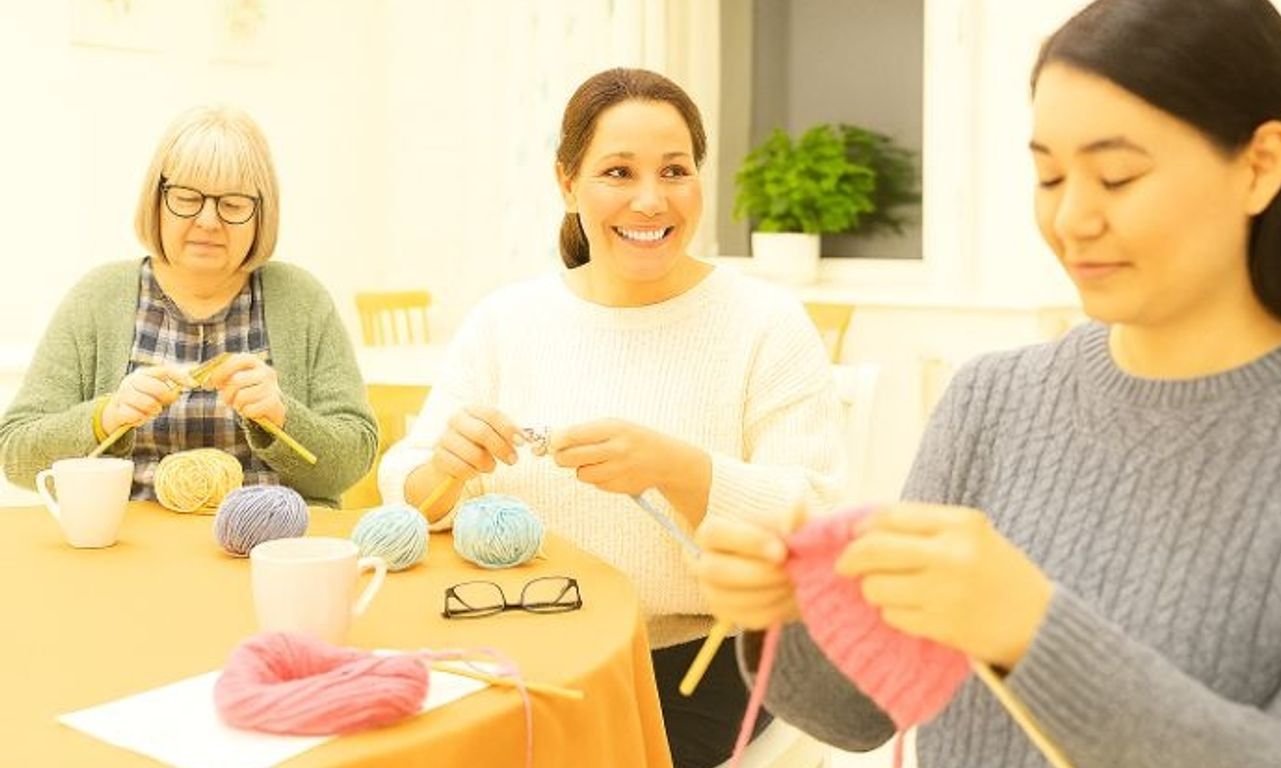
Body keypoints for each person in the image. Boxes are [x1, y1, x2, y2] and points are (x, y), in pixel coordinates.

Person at [693, 0, 1281, 766]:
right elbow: (863, 713)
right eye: (1049, 175)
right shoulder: (991, 401)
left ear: (1261, 164)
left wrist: (1028, 631)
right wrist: (790, 613)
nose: (1071, 218)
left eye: (1116, 176)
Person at [377, 68, 844, 768]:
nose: (651, 200)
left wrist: (680, 470)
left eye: (675, 171)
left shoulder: (765, 324)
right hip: (516, 646)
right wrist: (445, 466)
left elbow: (818, 524)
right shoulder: (506, 321)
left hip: (698, 660)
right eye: (618, 172)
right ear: (567, 184)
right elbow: (407, 491)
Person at [0, 105, 377, 508]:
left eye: (233, 205)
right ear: (157, 202)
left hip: (274, 540)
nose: (209, 221)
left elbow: (354, 456)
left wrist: (282, 417)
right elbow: (16, 453)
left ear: (260, 214)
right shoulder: (97, 299)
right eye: (186, 198)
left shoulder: (302, 300)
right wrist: (106, 417)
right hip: (125, 542)